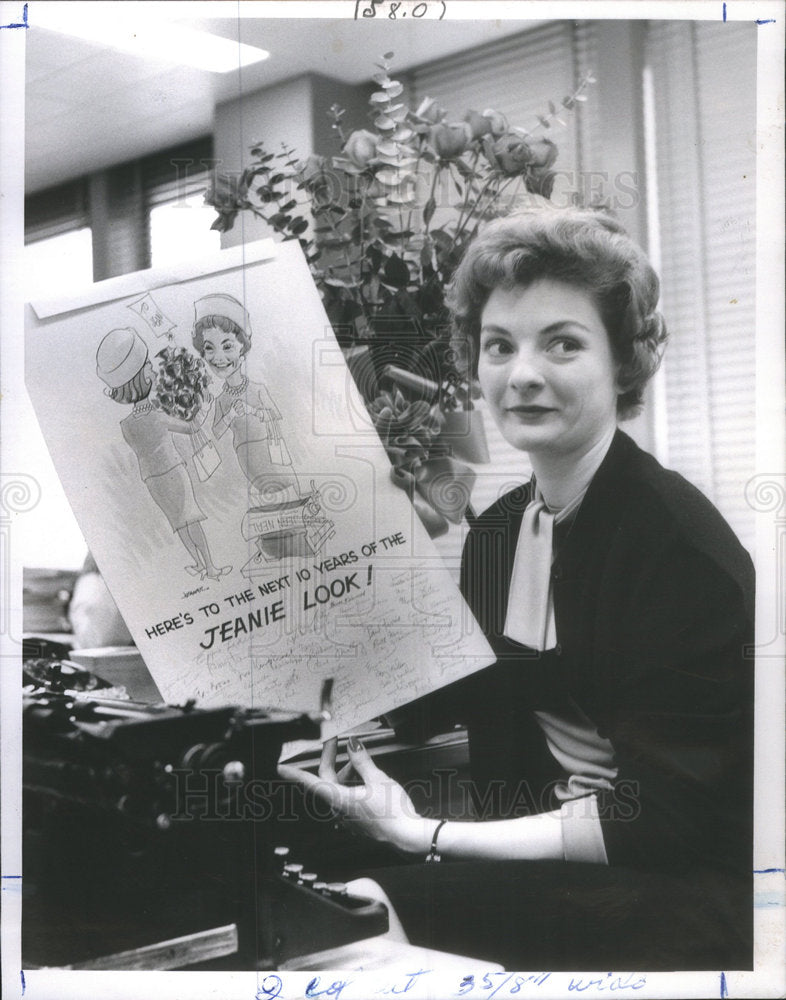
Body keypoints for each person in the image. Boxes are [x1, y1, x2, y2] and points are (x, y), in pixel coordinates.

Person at [278, 203, 754, 970]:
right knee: (300, 899)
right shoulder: (500, 529)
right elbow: (457, 687)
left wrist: (426, 836)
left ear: (622, 362)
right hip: (549, 872)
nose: (521, 374)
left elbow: (660, 821)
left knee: (345, 930)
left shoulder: (680, 549)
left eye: (562, 344)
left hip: (678, 893)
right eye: (498, 346)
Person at [96, 326, 230, 582]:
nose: (152, 369)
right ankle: (211, 567)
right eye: (148, 365)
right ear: (141, 379)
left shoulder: (126, 425)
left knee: (179, 522)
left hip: (152, 480)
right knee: (191, 518)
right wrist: (206, 405)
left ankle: (198, 564)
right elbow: (191, 428)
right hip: (173, 471)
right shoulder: (156, 415)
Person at [191, 293, 303, 509]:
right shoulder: (222, 399)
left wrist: (252, 411)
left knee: (290, 491)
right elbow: (216, 431)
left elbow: (275, 415)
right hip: (246, 456)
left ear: (242, 349)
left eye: (227, 346)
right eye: (209, 348)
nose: (218, 357)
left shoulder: (257, 389)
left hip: (267, 450)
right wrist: (231, 414)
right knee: (271, 501)